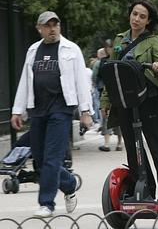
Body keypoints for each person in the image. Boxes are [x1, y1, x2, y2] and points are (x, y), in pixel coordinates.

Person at [100, 0, 158, 199]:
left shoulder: (153, 41)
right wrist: (105, 101)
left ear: (148, 21)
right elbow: (111, 73)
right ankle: (145, 192)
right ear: (130, 14)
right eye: (134, 14)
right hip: (124, 101)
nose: (137, 19)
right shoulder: (120, 40)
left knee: (156, 145)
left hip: (147, 99)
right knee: (132, 149)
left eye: (142, 16)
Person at [11, 11, 94, 217]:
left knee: (52, 159)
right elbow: (25, 81)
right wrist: (17, 110)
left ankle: (46, 203)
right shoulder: (33, 50)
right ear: (40, 29)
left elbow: (81, 82)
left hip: (61, 110)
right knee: (40, 161)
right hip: (37, 110)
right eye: (47, 26)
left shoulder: (71, 49)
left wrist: (86, 111)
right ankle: (69, 183)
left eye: (55, 25)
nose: (52, 29)